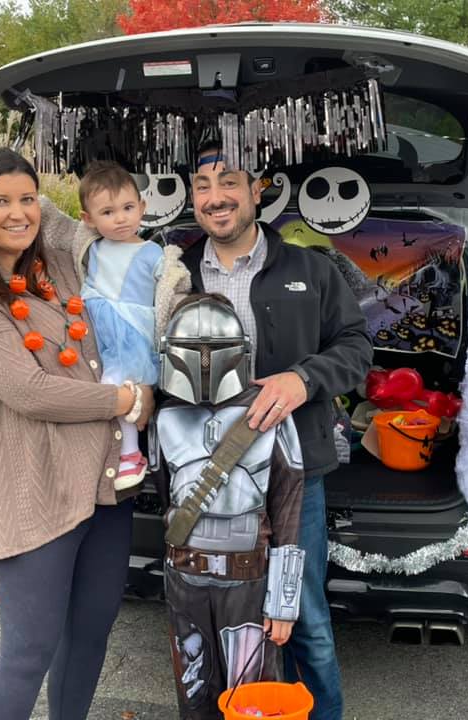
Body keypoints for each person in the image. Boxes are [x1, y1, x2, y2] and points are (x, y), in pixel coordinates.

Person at [0, 147, 154, 720]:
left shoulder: (59, 266)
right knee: (27, 652)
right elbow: (30, 391)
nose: (18, 213)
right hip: (33, 492)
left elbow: (109, 240)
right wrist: (127, 400)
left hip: (104, 488)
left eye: (27, 198)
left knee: (89, 635)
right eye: (0, 201)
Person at [180, 143, 374, 719]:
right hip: (205, 476)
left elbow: (357, 348)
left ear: (257, 189)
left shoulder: (310, 269)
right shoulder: (174, 273)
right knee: (220, 614)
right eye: (202, 185)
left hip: (293, 474)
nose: (216, 197)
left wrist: (302, 378)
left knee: (302, 615)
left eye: (229, 182)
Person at [155, 293, 305, 720]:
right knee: (194, 689)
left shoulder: (270, 412)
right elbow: (170, 499)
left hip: (247, 578)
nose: (204, 363)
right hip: (185, 574)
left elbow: (289, 507)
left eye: (215, 349)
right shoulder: (164, 416)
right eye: (194, 350)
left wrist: (283, 604)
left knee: (251, 696)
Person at [39, 161, 191, 490]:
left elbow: (173, 288)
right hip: (92, 326)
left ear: (142, 208)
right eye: (108, 212)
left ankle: (130, 454)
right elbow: (55, 228)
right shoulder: (90, 246)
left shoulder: (153, 252)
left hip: (129, 331)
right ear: (88, 219)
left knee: (119, 388)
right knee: (92, 388)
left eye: (127, 208)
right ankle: (104, 455)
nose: (120, 218)